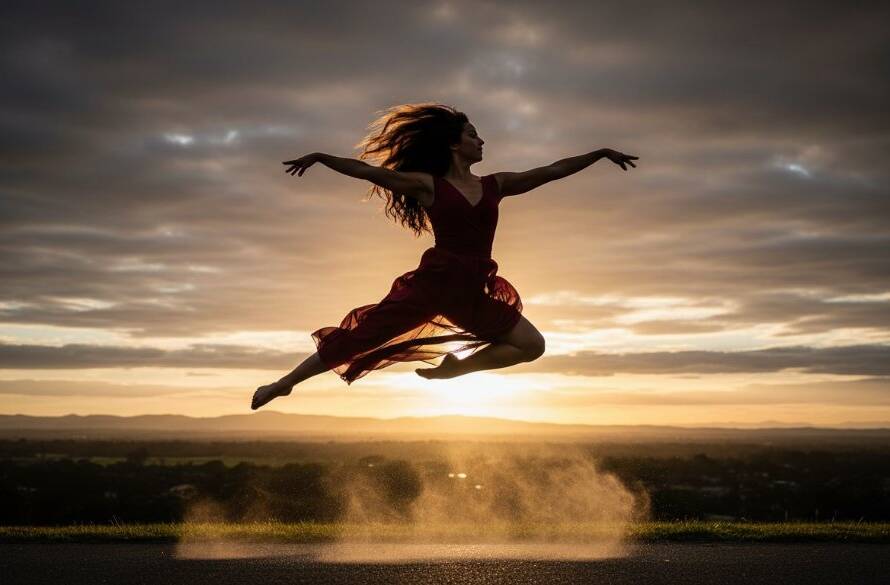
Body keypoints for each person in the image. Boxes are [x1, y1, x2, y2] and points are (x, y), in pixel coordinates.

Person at [251, 103, 637, 410]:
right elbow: (368, 172)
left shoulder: (495, 185)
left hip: (471, 292)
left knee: (532, 346)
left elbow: (552, 170)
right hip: (433, 287)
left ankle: (457, 370)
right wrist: (321, 156)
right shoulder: (428, 185)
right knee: (358, 338)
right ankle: (282, 385)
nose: (482, 140)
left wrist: (599, 153)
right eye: (473, 134)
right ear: (455, 144)